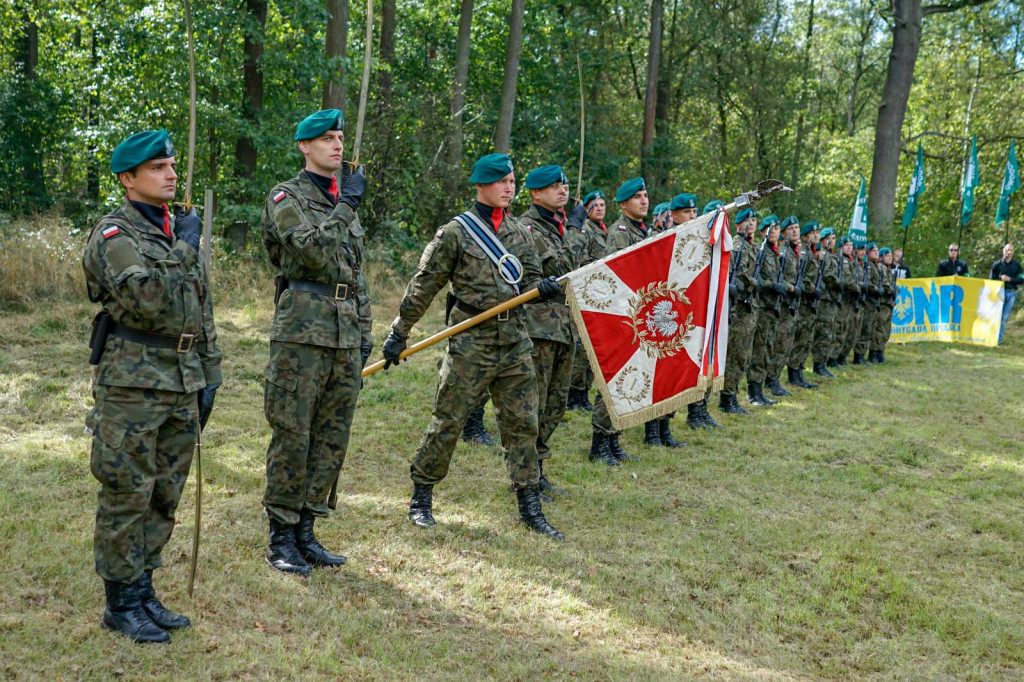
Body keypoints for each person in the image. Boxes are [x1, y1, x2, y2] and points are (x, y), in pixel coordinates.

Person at [83, 129, 222, 643]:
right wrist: (186, 244)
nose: (171, 174)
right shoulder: (115, 236)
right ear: (128, 179)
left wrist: (211, 370)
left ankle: (143, 588)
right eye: (158, 168)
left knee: (165, 491)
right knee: (128, 492)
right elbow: (146, 298)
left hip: (182, 379)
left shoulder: (169, 230)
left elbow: (198, 307)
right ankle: (119, 602)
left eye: (171, 166)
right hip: (133, 385)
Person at [382, 153, 564, 540]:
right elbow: (424, 285)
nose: (509, 188)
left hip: (515, 341)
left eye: (512, 181)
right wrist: (400, 332)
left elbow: (530, 279)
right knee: (449, 419)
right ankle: (421, 497)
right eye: (501, 181)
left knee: (523, 425)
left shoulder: (521, 233)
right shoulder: (456, 233)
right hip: (470, 340)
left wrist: (541, 288)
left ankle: (529, 507)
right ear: (481, 185)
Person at [261, 108, 371, 576]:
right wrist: (346, 206)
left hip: (344, 333)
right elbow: (308, 249)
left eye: (340, 137)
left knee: (331, 436)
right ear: (305, 146)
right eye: (326, 138)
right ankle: (281, 536)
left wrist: (365, 332)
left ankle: (308, 528)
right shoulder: (287, 196)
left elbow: (355, 274)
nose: (337, 145)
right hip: (302, 331)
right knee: (294, 431)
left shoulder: (339, 198)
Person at [518, 164, 590, 497]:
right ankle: (526, 476)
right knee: (535, 403)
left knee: (557, 404)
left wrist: (573, 228)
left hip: (566, 328)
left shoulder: (561, 227)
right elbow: (561, 270)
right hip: (540, 330)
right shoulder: (526, 229)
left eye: (564, 185)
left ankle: (539, 468)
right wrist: (575, 228)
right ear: (535, 193)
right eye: (553, 186)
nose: (562, 190)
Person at [589, 177, 652, 462]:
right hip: (620, 317)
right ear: (624, 204)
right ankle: (599, 444)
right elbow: (614, 279)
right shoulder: (619, 234)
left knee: (629, 381)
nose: (644, 200)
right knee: (614, 380)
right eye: (637, 197)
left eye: (645, 195)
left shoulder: (641, 232)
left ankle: (614, 440)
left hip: (637, 317)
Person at [567, 190, 608, 412]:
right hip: (586, 292)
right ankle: (575, 394)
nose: (599, 208)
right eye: (594, 205)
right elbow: (580, 259)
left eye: (602, 204)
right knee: (581, 349)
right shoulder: (585, 230)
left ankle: (583, 394)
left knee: (593, 347)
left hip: (600, 295)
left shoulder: (605, 231)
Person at [719, 207, 759, 414]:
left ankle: (732, 395)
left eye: (754, 221)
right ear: (738, 224)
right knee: (735, 355)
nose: (751, 224)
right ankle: (727, 398)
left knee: (743, 354)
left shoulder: (752, 247)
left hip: (749, 308)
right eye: (747, 220)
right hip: (738, 310)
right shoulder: (737, 246)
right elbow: (733, 274)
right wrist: (752, 283)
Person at [746, 215, 784, 406]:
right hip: (761, 306)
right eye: (770, 228)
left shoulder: (776, 254)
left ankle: (760, 390)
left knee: (767, 348)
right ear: (763, 232)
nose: (774, 231)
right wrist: (773, 285)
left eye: (777, 228)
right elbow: (757, 278)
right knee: (758, 350)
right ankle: (753, 392)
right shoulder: (761, 252)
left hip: (772, 308)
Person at [764, 216, 800, 398]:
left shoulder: (794, 251)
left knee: (785, 343)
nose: (795, 231)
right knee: (778, 343)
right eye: (791, 228)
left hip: (790, 303)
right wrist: (791, 288)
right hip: (781, 303)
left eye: (796, 227)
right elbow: (779, 276)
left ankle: (775, 377)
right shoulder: (783, 252)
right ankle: (771, 379)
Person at [787, 221, 820, 389]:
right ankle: (793, 373)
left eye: (817, 232)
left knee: (806, 339)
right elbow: (804, 276)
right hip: (804, 301)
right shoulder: (804, 253)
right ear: (806, 236)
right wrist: (812, 289)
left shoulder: (813, 253)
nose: (816, 235)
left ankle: (799, 370)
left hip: (810, 301)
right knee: (799, 338)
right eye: (813, 233)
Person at [812, 227, 839, 378]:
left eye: (834, 238)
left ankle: (823, 362)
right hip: (824, 298)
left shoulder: (832, 255)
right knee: (823, 332)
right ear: (822, 240)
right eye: (828, 238)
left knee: (829, 331)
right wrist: (838, 282)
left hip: (831, 298)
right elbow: (827, 275)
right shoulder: (823, 255)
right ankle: (818, 364)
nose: (831, 241)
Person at [854, 242, 882, 365]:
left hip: (874, 301)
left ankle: (863, 354)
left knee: (870, 328)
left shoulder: (876, 266)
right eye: (873, 250)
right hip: (868, 301)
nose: (876, 252)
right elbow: (868, 283)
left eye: (877, 250)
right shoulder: (868, 266)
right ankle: (859, 355)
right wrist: (876, 289)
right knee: (865, 328)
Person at [991, 243, 1023, 344]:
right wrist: (1000, 278)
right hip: (998, 292)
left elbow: (1021, 280)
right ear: (1003, 251)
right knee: (995, 315)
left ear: (1013, 252)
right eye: (1006, 250)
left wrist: (1010, 279)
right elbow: (991, 279)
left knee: (1004, 318)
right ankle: (991, 337)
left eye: (1010, 250)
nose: (1008, 252)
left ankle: (999, 340)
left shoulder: (1017, 266)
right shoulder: (997, 264)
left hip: (1011, 293)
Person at [871, 247, 897, 362]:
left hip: (888, 303)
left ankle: (880, 351)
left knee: (886, 330)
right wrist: (892, 289)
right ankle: (874, 352)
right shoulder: (881, 268)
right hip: (882, 303)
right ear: (881, 257)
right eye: (887, 256)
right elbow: (885, 284)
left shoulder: (889, 269)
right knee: (879, 329)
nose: (890, 258)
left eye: (891, 256)